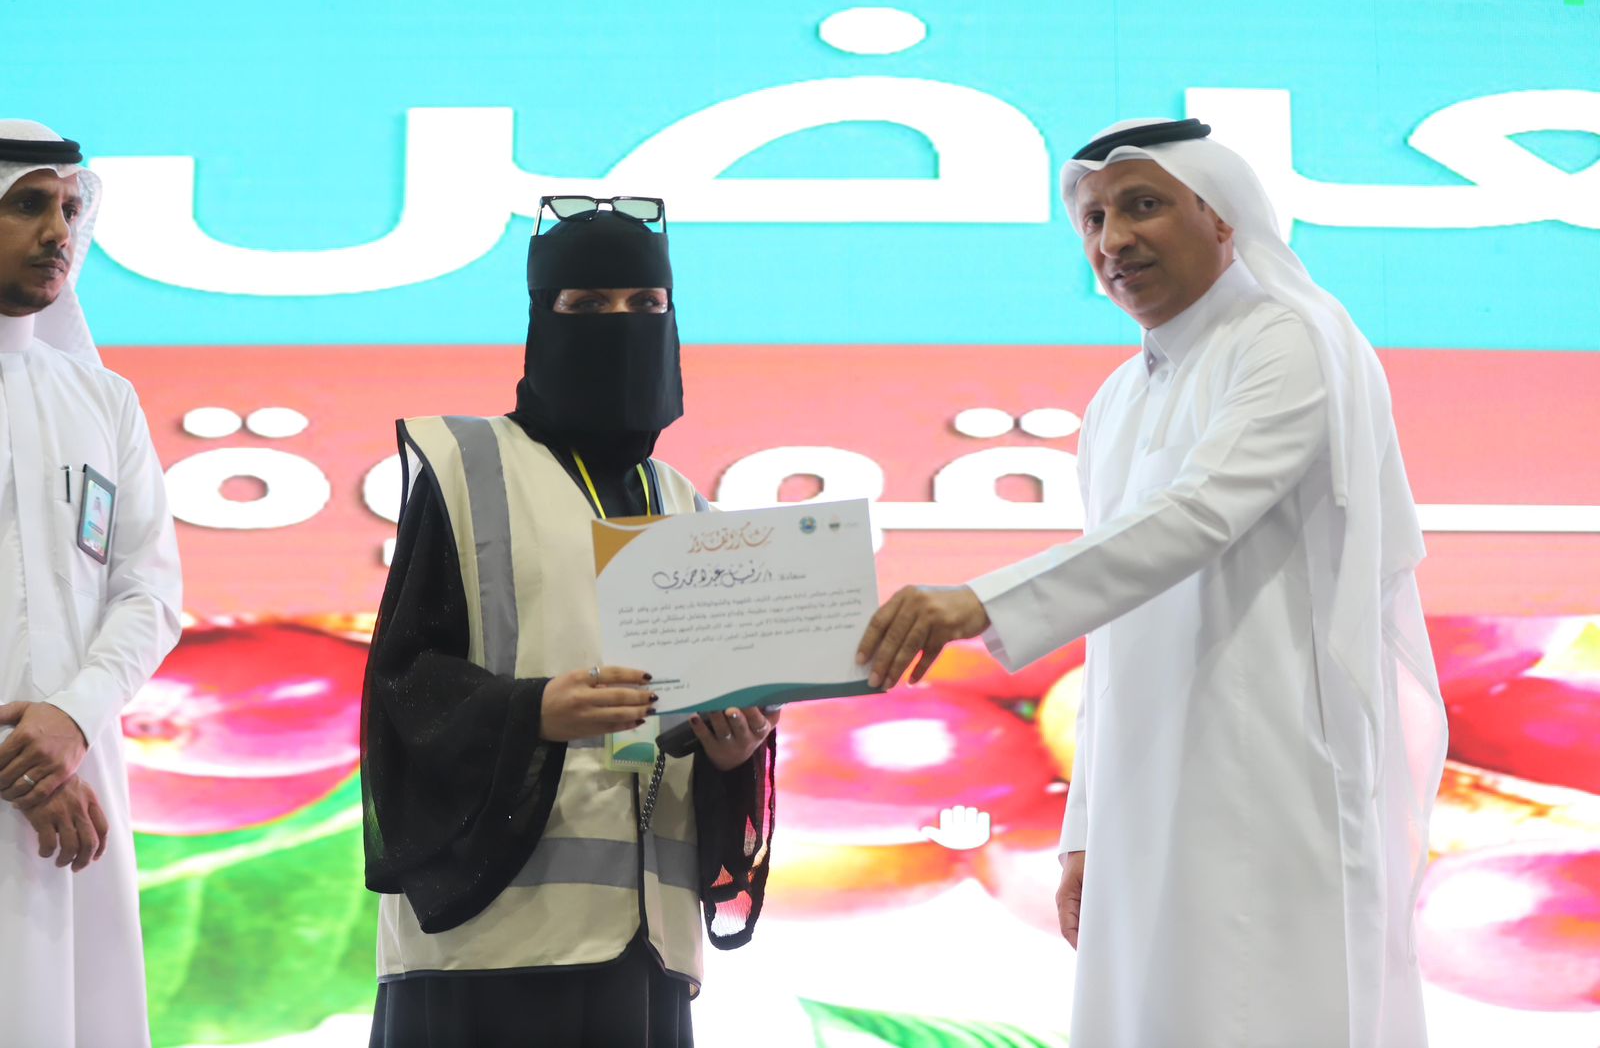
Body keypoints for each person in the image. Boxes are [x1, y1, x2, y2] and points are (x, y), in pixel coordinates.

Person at [857, 119, 1447, 1047]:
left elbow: (1200, 514)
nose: (1115, 240)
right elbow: (1116, 631)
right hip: (1142, 792)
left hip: (1267, 770)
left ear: (1223, 217)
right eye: (1094, 220)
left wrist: (982, 603)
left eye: (1143, 206)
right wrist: (1085, 827)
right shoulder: (1119, 397)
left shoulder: (1290, 338)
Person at [362, 197, 777, 1048]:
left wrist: (733, 752)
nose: (619, 325)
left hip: (646, 947)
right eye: (586, 305)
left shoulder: (688, 506)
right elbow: (402, 686)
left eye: (645, 304)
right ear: (540, 319)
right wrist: (531, 711)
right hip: (485, 946)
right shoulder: (463, 465)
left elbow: (693, 717)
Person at [0, 119, 183, 1047]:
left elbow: (150, 592)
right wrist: (25, 758)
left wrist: (70, 721)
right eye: (29, 205)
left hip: (78, 787)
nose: (58, 233)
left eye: (71, 209)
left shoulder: (102, 399)